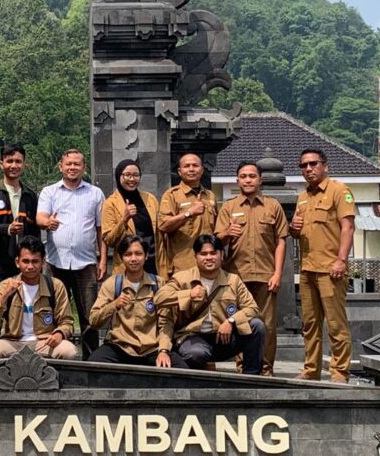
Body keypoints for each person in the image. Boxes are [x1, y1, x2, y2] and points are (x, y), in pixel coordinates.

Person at [215, 161, 288, 376]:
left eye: (252, 176)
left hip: (266, 275)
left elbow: (281, 241)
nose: (247, 180)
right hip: (236, 277)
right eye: (243, 176)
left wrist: (277, 273)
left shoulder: (272, 206)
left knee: (267, 326)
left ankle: (266, 369)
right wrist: (228, 233)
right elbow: (217, 240)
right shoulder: (228, 207)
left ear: (260, 180)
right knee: (240, 322)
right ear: (237, 180)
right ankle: (243, 368)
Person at [290, 149, 356, 383]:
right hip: (307, 269)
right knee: (310, 324)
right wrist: (294, 228)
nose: (308, 169)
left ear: (325, 166)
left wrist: (341, 260)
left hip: (331, 269)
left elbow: (347, 228)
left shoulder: (339, 191)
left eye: (313, 164)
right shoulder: (302, 197)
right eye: (304, 166)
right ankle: (311, 370)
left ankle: (339, 372)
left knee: (336, 324)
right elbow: (299, 234)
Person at [155, 234, 264, 374]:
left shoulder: (233, 280)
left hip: (223, 337)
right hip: (193, 337)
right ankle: (197, 382)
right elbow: (159, 298)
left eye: (213, 253)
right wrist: (188, 294)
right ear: (196, 257)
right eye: (203, 254)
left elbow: (253, 308)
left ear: (221, 255)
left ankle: (251, 377)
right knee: (196, 354)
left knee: (257, 326)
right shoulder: (182, 279)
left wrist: (231, 321)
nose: (209, 258)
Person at [36, 148, 106, 357]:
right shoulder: (50, 191)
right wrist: (47, 222)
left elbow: (100, 229)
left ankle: (91, 357)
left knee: (89, 315)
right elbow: (39, 218)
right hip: (56, 262)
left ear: (84, 167)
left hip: (86, 263)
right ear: (61, 166)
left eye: (77, 164)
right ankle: (56, 356)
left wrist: (102, 260)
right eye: (69, 164)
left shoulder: (95, 193)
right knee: (54, 312)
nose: (73, 167)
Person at [88, 235, 187, 368]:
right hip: (121, 347)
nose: (133, 259)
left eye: (138, 254)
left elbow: (166, 322)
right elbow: (94, 320)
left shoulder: (158, 284)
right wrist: (114, 305)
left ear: (146, 256)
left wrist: (163, 350)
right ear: (122, 258)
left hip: (152, 348)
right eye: (128, 254)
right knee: (93, 364)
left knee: (180, 368)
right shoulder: (112, 284)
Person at [0, 144, 40, 344]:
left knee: (22, 312)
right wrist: (6, 229)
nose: (14, 165)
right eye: (9, 161)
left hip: (24, 267)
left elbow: (35, 234)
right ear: (1, 163)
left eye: (18, 161)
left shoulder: (30, 196)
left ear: (24, 164)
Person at [0, 237, 76, 359]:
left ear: (43, 261)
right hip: (14, 342)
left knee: (69, 351)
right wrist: (5, 296)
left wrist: (59, 333)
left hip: (45, 341)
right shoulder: (6, 285)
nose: (30, 266)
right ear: (17, 262)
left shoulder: (55, 286)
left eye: (35, 261)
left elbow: (67, 322)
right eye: (25, 261)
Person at [157, 153, 218, 281]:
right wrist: (188, 213)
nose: (191, 169)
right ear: (179, 171)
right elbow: (163, 225)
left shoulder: (210, 196)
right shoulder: (171, 195)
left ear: (202, 170)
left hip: (209, 265)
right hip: (183, 265)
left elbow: (216, 230)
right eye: (187, 166)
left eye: (195, 166)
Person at [101, 160, 159, 276]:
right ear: (118, 176)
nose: (132, 179)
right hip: (128, 266)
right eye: (127, 175)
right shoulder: (110, 203)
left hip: (152, 263)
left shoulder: (150, 199)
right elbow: (109, 240)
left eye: (136, 175)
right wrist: (124, 219)